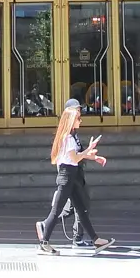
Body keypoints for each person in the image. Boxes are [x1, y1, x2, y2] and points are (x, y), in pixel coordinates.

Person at [35, 99, 111, 254]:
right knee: (57, 211)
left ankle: (96, 240)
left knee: (81, 208)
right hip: (67, 176)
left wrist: (92, 156)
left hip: (73, 174)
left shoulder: (71, 136)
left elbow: (77, 156)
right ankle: (44, 241)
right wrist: (88, 149)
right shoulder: (68, 138)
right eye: (78, 118)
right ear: (71, 120)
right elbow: (75, 158)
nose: (80, 120)